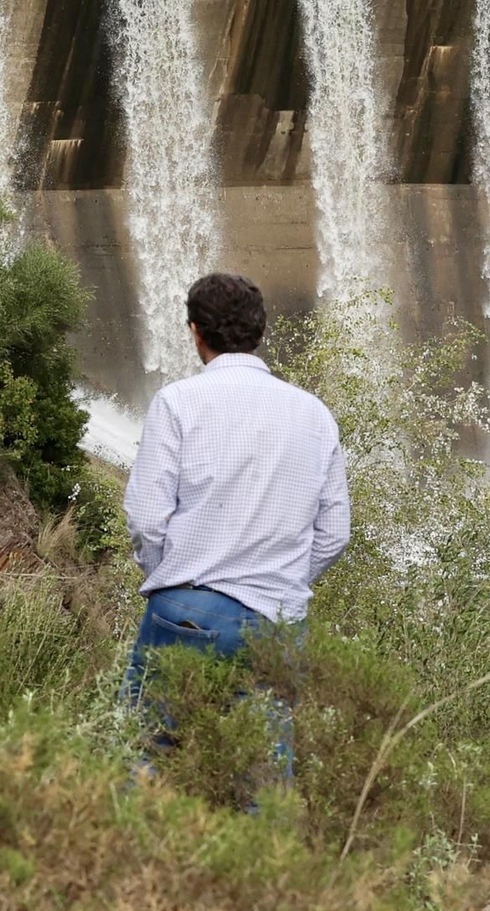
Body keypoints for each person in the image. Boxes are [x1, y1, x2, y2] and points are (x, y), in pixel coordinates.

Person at [122, 271, 350, 771]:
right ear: (260, 333)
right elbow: (334, 534)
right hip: (277, 617)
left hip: (187, 607)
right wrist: (278, 577)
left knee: (143, 764)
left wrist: (175, 579)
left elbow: (145, 518)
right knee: (262, 783)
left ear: (195, 332)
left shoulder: (178, 402)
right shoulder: (315, 415)